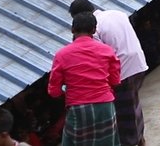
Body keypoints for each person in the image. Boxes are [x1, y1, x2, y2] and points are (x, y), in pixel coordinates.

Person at [67, 0, 148, 146]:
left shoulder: (93, 28)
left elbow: (100, 57)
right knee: (134, 105)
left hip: (122, 71)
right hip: (139, 64)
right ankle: (141, 139)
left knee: (124, 115)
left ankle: (134, 142)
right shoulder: (117, 13)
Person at [48, 12, 121, 146]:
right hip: (105, 106)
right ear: (94, 30)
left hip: (78, 108)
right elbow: (115, 81)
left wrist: (66, 94)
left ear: (72, 30)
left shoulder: (61, 55)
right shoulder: (107, 51)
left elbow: (54, 91)